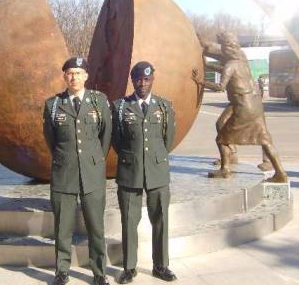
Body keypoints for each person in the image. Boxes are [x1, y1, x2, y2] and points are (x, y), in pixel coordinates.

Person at [43, 57, 112, 285]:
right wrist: (67, 158)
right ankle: (62, 270)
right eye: (70, 73)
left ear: (86, 76)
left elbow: (106, 135)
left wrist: (94, 159)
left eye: (78, 73)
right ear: (64, 76)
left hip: (92, 173)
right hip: (64, 173)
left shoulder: (99, 101)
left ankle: (99, 272)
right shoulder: (53, 104)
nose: (74, 77)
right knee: (63, 226)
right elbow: (50, 139)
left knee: (96, 226)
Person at [112, 61, 176, 283]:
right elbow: (117, 141)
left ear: (152, 80)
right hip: (130, 171)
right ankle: (129, 267)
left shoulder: (164, 106)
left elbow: (168, 140)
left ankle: (161, 265)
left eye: (146, 79)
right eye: (138, 79)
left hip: (157, 171)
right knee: (129, 221)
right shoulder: (120, 106)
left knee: (161, 219)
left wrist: (152, 159)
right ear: (132, 80)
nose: (142, 83)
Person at [192, 31, 287, 182]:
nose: (221, 50)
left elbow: (220, 86)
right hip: (254, 104)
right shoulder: (241, 60)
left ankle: (225, 169)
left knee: (221, 139)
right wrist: (207, 64)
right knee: (265, 140)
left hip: (242, 106)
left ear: (226, 48)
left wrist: (200, 81)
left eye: (223, 46)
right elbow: (226, 71)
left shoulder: (230, 65)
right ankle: (281, 173)